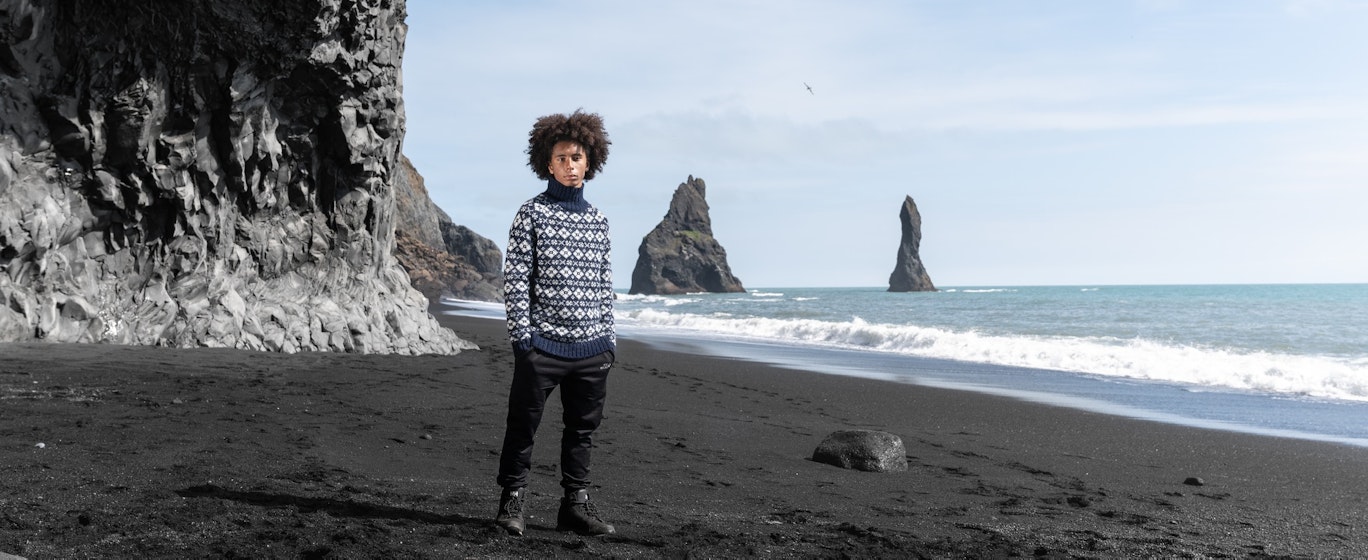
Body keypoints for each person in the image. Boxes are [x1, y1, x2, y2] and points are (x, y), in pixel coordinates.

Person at [494, 110, 617, 537]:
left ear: (590, 162)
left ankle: (575, 506)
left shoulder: (599, 221)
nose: (569, 165)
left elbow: (604, 284)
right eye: (562, 158)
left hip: (591, 351)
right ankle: (512, 502)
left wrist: (608, 342)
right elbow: (515, 281)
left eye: (577, 158)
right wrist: (522, 343)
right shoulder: (531, 214)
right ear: (548, 163)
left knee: (581, 432)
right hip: (541, 348)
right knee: (523, 427)